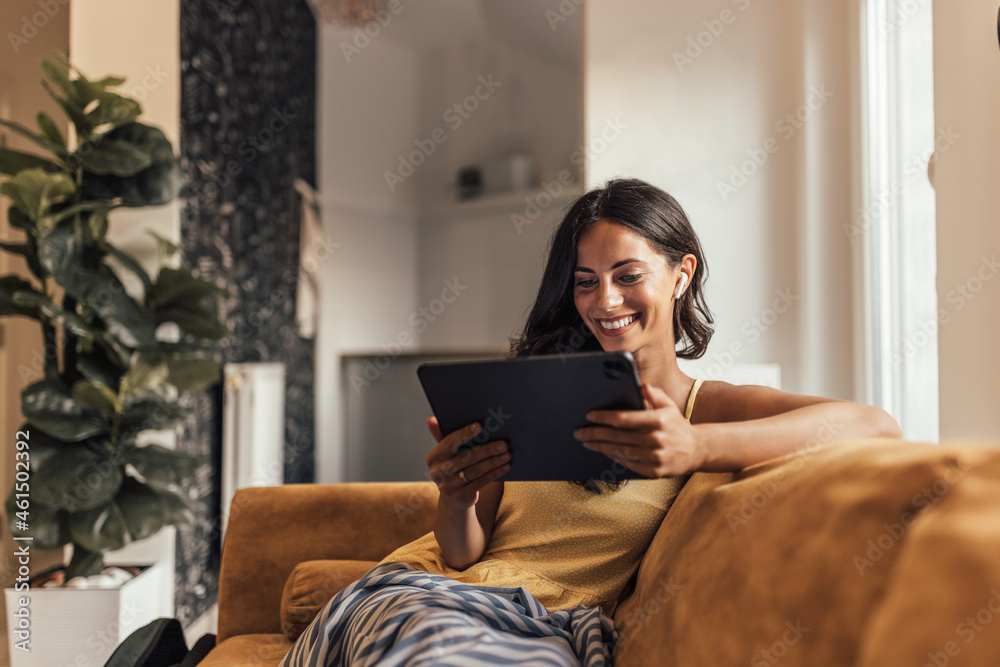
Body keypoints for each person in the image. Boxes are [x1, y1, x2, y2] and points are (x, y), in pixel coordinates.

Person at [283, 178, 901, 666]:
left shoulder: (702, 407)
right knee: (428, 638)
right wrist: (456, 497)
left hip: (546, 624)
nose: (604, 301)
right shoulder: (535, 389)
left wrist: (694, 447)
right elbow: (462, 552)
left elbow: (873, 425)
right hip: (435, 594)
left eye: (628, 276)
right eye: (585, 283)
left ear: (681, 275)